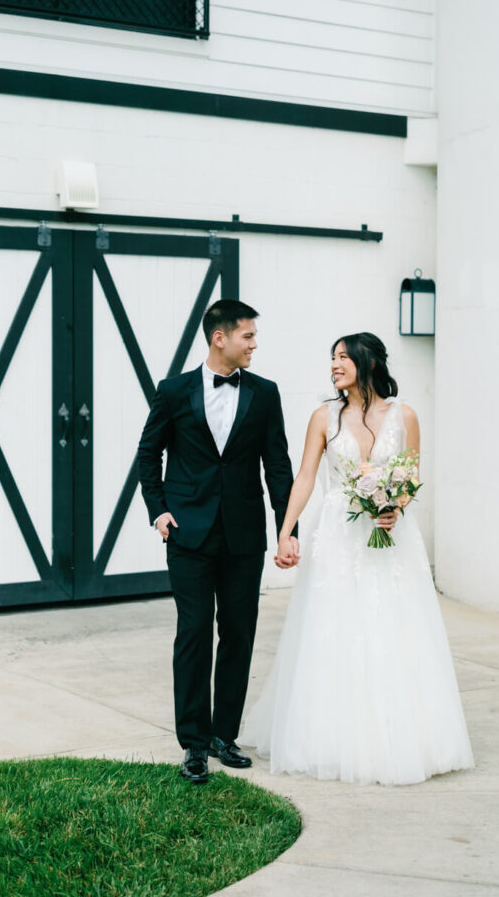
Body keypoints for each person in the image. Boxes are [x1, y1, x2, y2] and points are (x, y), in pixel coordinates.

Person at [241, 332, 474, 786]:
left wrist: (395, 507)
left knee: (394, 626)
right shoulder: (323, 417)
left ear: (369, 362)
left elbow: (410, 476)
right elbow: (306, 476)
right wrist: (286, 530)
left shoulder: (404, 415)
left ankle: (400, 737)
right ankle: (329, 739)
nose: (335, 364)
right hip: (336, 535)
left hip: (390, 537)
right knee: (333, 628)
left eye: (344, 357)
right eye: (332, 358)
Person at [137, 300, 297, 785]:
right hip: (187, 532)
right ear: (219, 338)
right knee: (193, 634)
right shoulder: (173, 390)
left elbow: (279, 467)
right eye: (248, 336)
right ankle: (194, 744)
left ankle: (225, 734)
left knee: (239, 634)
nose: (254, 344)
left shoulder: (266, 394)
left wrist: (286, 531)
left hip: (244, 536)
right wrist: (159, 511)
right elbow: (149, 454)